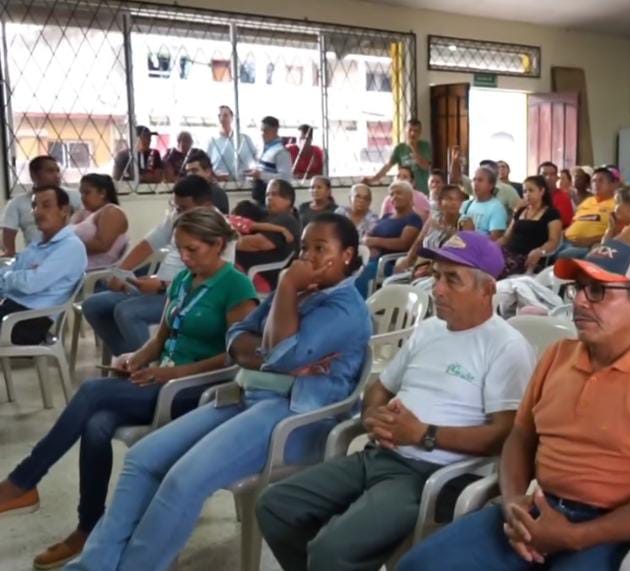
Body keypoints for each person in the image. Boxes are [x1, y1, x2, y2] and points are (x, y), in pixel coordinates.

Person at [66, 213, 372, 571]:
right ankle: (94, 565)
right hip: (247, 393)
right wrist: (271, 351)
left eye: (320, 248)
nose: (308, 257)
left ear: (347, 255)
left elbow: (281, 354)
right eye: (305, 248)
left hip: (295, 416)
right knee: (142, 458)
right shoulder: (300, 293)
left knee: (185, 479)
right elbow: (237, 338)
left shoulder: (344, 308)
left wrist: (287, 288)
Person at [399, 241, 630, 571]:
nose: (580, 300)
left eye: (598, 291)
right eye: (578, 288)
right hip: (540, 509)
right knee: (418, 566)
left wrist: (575, 536)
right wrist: (514, 504)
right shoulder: (557, 357)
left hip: (618, 532)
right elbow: (520, 437)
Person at [257, 231, 534, 571]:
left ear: (487, 289)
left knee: (332, 550)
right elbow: (381, 387)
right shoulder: (429, 329)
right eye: (436, 276)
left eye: (452, 279)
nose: (438, 289)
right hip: (380, 453)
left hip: (431, 474)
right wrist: (373, 416)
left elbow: (504, 435)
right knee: (276, 505)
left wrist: (424, 434)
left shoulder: (506, 347)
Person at [0, 208, 257, 568]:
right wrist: (135, 360)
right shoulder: (184, 280)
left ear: (217, 245)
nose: (184, 257)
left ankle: (23, 481)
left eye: (193, 249)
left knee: (92, 392)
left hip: (199, 390)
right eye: (180, 249)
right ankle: (88, 527)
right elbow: (161, 338)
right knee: (96, 425)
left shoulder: (236, 286)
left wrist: (172, 373)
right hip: (165, 379)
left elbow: (233, 358)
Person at [82, 176, 231, 357]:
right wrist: (121, 272)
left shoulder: (219, 231)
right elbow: (149, 243)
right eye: (176, 207)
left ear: (206, 206)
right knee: (93, 305)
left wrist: (162, 287)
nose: (179, 213)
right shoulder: (179, 218)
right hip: (161, 287)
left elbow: (214, 281)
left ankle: (151, 363)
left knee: (127, 312)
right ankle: (130, 358)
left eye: (183, 208)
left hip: (187, 296)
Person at [0, 185, 86, 344]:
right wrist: (16, 276)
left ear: (64, 210)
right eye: (34, 206)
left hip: (29, 319)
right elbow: (16, 272)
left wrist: (9, 277)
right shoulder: (37, 243)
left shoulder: (70, 247)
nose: (37, 212)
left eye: (46, 205)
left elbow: (30, 284)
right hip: (11, 309)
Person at [2, 156, 81, 256]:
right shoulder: (17, 203)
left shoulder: (75, 196)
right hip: (34, 256)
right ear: (34, 175)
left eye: (57, 171)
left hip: (68, 252)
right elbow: (8, 233)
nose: (57, 176)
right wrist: (10, 255)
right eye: (50, 171)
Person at [356, 182, 424, 296]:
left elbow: (403, 243)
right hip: (371, 257)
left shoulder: (413, 218)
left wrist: (375, 242)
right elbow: (367, 236)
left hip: (389, 263)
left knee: (364, 270)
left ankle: (360, 304)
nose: (394, 197)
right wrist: (370, 245)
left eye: (399, 193)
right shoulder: (386, 217)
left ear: (410, 197)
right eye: (391, 194)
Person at [236, 179, 301, 289]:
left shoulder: (287, 220)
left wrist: (226, 240)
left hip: (263, 277)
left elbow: (254, 244)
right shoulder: (267, 218)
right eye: (267, 195)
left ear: (288, 199)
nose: (269, 198)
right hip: (244, 272)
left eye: (274, 194)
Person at [393, 184, 465, 281]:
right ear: (440, 202)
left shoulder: (464, 222)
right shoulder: (433, 219)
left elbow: (462, 250)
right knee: (390, 282)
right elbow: (419, 241)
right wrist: (408, 259)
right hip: (420, 265)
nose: (453, 203)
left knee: (416, 285)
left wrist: (432, 268)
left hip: (439, 272)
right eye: (449, 199)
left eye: (457, 199)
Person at [497, 175, 563, 277]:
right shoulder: (520, 211)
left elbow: (553, 241)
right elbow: (506, 237)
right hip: (509, 252)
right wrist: (491, 246)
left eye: (531, 190)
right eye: (524, 191)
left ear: (542, 191)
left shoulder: (551, 213)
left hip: (529, 257)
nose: (527, 194)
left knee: (497, 268)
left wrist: (540, 251)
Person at [558, 167, 618, 259]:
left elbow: (617, 233)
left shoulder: (617, 204)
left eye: (600, 181)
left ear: (612, 185)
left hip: (589, 246)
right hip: (565, 242)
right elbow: (574, 223)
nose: (596, 184)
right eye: (593, 181)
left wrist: (590, 241)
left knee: (563, 256)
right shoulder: (587, 201)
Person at [72, 174, 129, 270]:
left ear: (102, 193)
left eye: (87, 193)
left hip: (93, 271)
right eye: (81, 193)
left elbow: (102, 245)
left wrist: (67, 247)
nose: (82, 197)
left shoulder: (112, 212)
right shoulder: (85, 213)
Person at [363, 118, 433, 195]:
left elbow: (425, 166)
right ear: (405, 131)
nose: (412, 133)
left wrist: (413, 148)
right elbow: (388, 166)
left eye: (416, 131)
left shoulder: (425, 146)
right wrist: (373, 179)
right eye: (410, 130)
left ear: (420, 132)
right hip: (404, 190)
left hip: (422, 191)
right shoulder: (400, 148)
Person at [205, 104, 257, 182]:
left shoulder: (244, 139)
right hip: (220, 183)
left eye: (225, 115)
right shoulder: (211, 141)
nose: (222, 118)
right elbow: (205, 163)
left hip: (243, 183)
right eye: (219, 116)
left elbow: (255, 157)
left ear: (232, 118)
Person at [248, 116, 293, 205]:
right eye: (261, 131)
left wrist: (261, 175)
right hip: (260, 195)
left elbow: (285, 178)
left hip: (273, 197)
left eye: (265, 130)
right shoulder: (262, 149)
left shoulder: (281, 152)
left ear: (274, 130)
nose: (262, 134)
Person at [459, 166, 508, 240]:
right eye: (474, 180)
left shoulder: (497, 208)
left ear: (491, 185)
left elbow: (495, 241)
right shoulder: (466, 205)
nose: (475, 183)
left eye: (480, 180)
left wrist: (472, 233)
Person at [183, 149, 230, 214]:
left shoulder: (216, 194)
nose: (190, 175)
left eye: (194, 170)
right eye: (188, 171)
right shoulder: (188, 194)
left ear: (208, 171)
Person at [538, 161, 574, 227]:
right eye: (544, 174)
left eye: (552, 174)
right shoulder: (533, 196)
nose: (548, 177)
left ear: (557, 177)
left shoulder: (563, 198)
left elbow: (563, 224)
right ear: (538, 177)